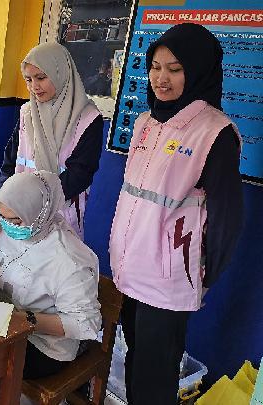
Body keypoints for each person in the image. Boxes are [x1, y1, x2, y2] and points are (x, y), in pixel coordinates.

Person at [109, 23, 244, 405]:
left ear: (197, 70)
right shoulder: (146, 123)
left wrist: (197, 274)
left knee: (155, 380)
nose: (160, 78)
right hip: (130, 269)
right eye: (155, 66)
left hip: (167, 282)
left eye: (175, 68)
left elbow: (228, 221)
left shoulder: (214, 134)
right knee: (136, 363)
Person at [0, 171, 101, 379]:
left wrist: (26, 320)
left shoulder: (69, 259)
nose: (6, 226)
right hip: (5, 324)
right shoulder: (12, 229)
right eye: (2, 217)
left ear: (38, 214)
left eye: (14, 221)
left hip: (44, 346)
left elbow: (86, 323)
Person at [0, 42, 103, 238]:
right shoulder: (27, 113)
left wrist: (37, 200)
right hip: (20, 213)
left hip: (61, 214)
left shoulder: (87, 118)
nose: (34, 86)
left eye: (41, 78)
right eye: (28, 79)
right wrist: (8, 199)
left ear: (60, 73)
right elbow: (10, 162)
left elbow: (80, 174)